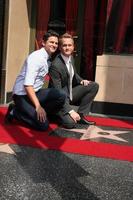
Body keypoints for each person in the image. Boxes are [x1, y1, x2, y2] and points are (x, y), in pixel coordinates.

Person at [5, 30, 66, 131]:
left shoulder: (47, 57)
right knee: (43, 126)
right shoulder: (36, 58)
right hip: (22, 95)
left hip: (35, 92)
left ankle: (42, 114)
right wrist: (38, 106)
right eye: (51, 42)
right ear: (43, 43)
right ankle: (15, 112)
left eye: (56, 43)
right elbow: (28, 85)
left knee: (61, 95)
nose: (54, 45)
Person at [49, 33, 99, 128]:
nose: (67, 48)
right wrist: (71, 111)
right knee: (70, 123)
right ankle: (53, 115)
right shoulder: (55, 66)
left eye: (69, 45)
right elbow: (58, 93)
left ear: (73, 46)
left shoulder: (71, 57)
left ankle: (81, 115)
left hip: (69, 93)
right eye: (64, 45)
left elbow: (73, 74)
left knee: (93, 86)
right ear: (60, 47)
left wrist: (81, 80)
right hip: (58, 99)